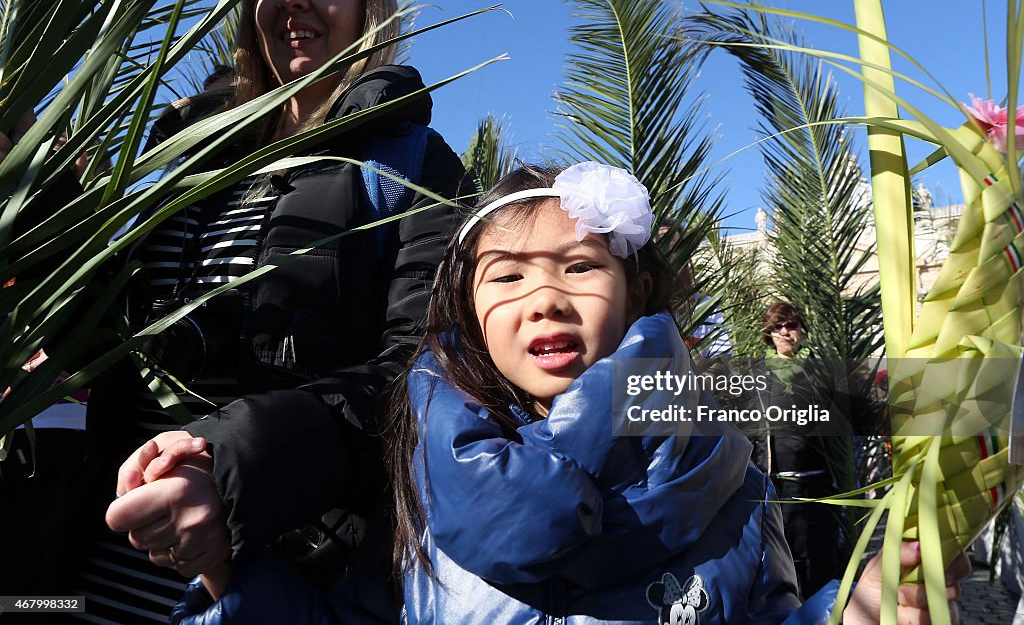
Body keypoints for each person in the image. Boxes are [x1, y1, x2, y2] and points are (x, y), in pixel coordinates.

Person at [1, 0, 470, 621]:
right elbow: (102, 337)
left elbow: (419, 383)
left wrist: (230, 467)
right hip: (83, 567)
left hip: (265, 584)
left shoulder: (412, 164)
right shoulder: (188, 158)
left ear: (369, 7)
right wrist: (32, 181)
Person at [384, 163, 967, 624]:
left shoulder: (730, 481)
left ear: (636, 295)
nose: (544, 299)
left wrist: (852, 615)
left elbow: (926, 397)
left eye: (581, 268)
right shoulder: (418, 467)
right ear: (469, 307)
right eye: (509, 276)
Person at [755, 302, 854, 599]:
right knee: (782, 562)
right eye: (777, 326)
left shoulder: (820, 373)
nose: (785, 332)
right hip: (775, 487)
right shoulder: (755, 375)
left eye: (792, 325)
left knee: (820, 559)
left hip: (817, 485)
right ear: (769, 334)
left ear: (802, 332)